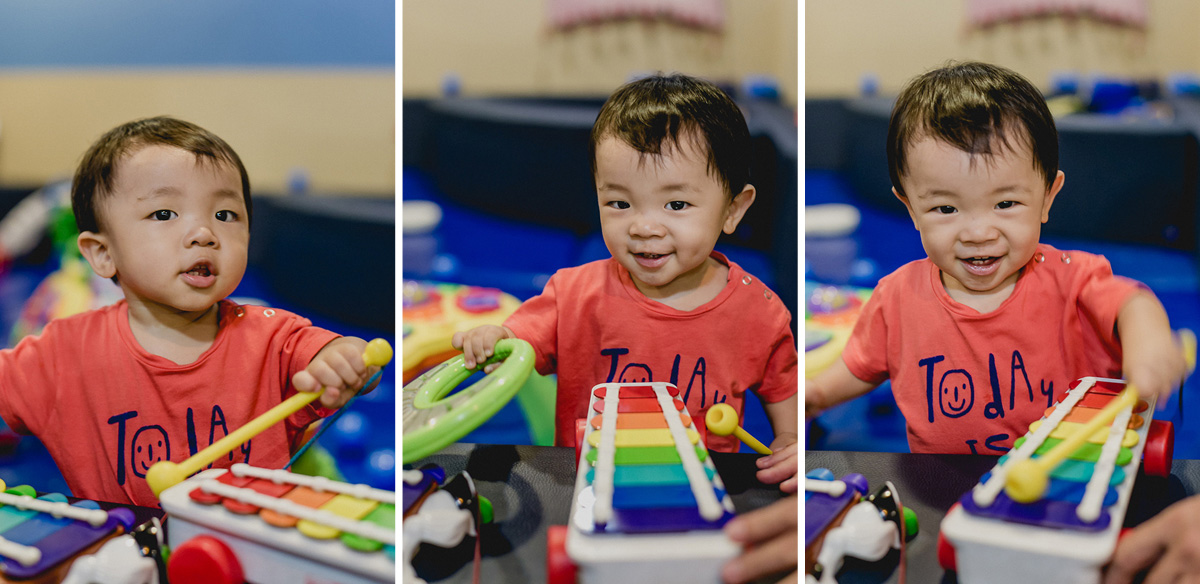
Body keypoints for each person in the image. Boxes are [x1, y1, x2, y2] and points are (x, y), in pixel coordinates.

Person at [805, 61, 1185, 454]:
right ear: (910, 208)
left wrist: (1149, 342)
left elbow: (1131, 303)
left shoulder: (1072, 281)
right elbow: (860, 365)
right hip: (943, 492)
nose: (978, 233)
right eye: (946, 209)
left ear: (1048, 197)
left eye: (1005, 203)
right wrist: (816, 394)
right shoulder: (897, 297)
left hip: (1062, 482)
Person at [0, 116, 379, 506]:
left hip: (255, 552)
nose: (204, 233)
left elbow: (337, 357)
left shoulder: (273, 336)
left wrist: (344, 361)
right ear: (103, 253)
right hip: (124, 555)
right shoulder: (64, 353)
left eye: (225, 215)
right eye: (164, 214)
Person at [453, 73, 799, 486]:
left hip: (701, 493)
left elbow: (788, 406)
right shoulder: (573, 295)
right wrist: (493, 339)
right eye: (619, 202)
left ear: (733, 209)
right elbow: (515, 343)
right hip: (590, 486)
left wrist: (790, 446)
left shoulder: (759, 312)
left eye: (676, 204)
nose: (643, 227)